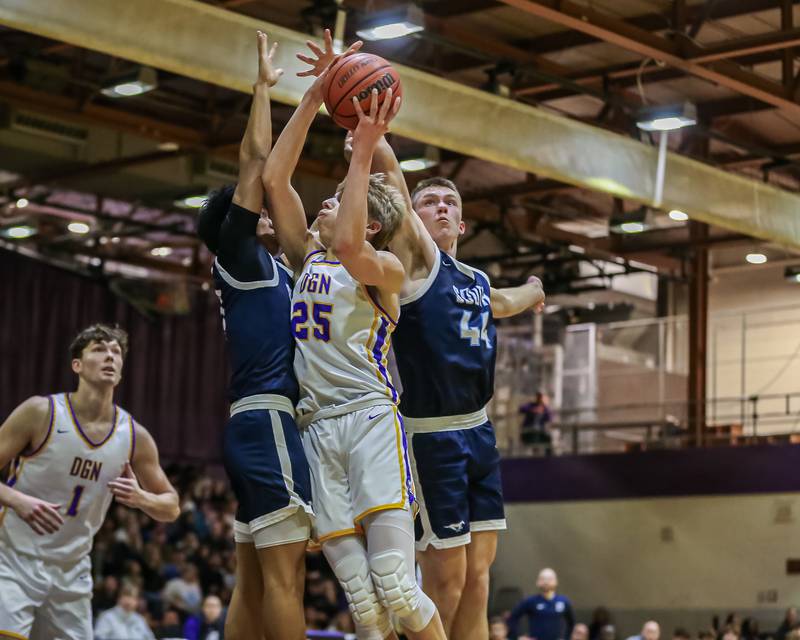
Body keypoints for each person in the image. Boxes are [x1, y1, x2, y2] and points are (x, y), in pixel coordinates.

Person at [262, 29, 445, 640]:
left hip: (368, 420)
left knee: (396, 582)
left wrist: (365, 150)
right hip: (318, 427)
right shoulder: (305, 257)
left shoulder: (382, 269)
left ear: (367, 219)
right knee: (364, 608)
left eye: (339, 198)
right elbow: (274, 177)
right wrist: (316, 92)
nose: (326, 202)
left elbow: (348, 239)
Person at [365, 123, 545, 638]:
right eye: (430, 202)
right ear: (411, 218)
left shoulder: (477, 281)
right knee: (446, 580)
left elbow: (505, 302)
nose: (441, 207)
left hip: (480, 431)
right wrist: (373, 131)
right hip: (432, 434)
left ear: (462, 223)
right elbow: (393, 177)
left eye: (450, 202)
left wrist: (535, 288)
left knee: (480, 577)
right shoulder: (417, 265)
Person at [196, 30, 313, 640]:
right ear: (232, 225)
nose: (262, 209)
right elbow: (256, 163)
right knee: (286, 580)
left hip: (256, 421)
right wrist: (263, 88)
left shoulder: (273, 268)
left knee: (252, 579)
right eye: (250, 209)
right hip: (267, 421)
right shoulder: (238, 255)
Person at [0, 323, 180, 639]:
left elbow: (171, 506)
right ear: (77, 365)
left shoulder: (134, 435)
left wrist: (142, 498)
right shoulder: (40, 412)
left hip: (71, 572)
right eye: (99, 349)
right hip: (11, 558)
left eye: (116, 351)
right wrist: (17, 499)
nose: (110, 356)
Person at [506, 568, 574, 640]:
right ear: (537, 582)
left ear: (556, 581)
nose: (546, 581)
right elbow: (512, 618)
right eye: (543, 579)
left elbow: (571, 622)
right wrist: (518, 637)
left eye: (550, 579)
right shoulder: (530, 601)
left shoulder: (564, 601)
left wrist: (566, 638)